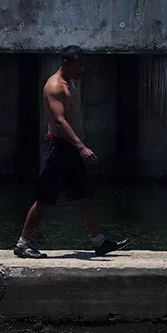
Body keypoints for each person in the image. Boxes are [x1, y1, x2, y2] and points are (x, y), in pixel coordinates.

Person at [13, 46, 128, 259]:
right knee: (45, 199)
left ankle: (99, 242)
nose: (81, 69)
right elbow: (59, 120)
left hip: (69, 149)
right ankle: (22, 244)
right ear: (66, 63)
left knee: (85, 195)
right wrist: (81, 146)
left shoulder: (69, 84)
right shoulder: (55, 86)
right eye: (78, 65)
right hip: (57, 148)